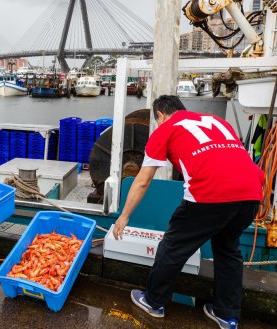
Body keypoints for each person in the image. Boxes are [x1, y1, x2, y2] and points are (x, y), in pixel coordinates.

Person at [112, 95, 263, 329]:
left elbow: (143, 180)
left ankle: (153, 301)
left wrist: (124, 215)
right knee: (228, 249)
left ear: (160, 116)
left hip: (209, 194)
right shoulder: (217, 121)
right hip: (252, 192)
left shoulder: (165, 130)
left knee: (173, 246)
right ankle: (227, 315)